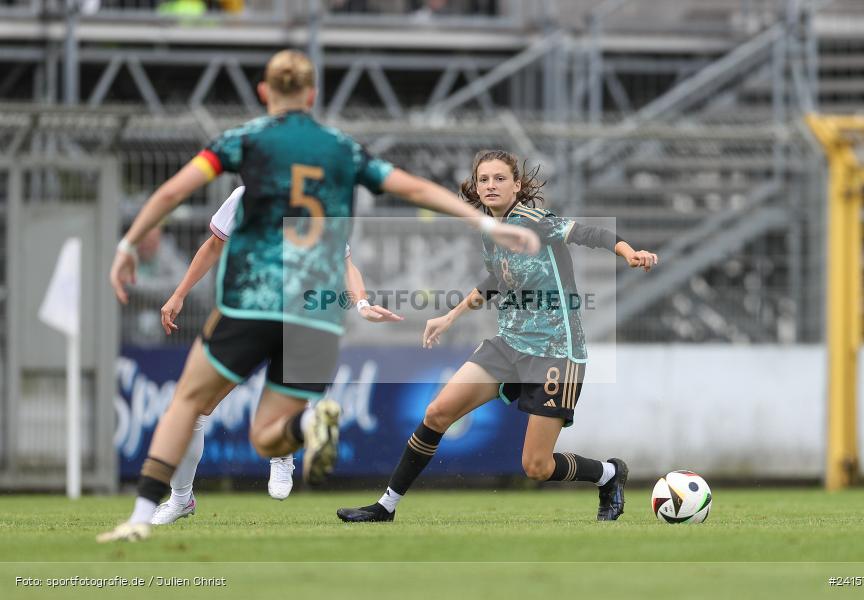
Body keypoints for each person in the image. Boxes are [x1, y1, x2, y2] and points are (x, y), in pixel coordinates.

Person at [99, 51, 539, 543]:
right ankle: (295, 435)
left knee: (189, 405)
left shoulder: (247, 147)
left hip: (251, 306)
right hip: (313, 321)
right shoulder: (337, 158)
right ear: (312, 96)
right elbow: (408, 188)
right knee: (264, 430)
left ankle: (153, 508)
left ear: (265, 93)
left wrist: (126, 245)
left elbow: (170, 195)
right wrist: (480, 221)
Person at [337, 149, 658, 524]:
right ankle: (385, 506)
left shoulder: (532, 220)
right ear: (476, 186)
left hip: (556, 351)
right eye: (484, 179)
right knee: (437, 412)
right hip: (507, 346)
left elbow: (589, 232)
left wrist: (627, 251)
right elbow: (497, 281)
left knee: (536, 466)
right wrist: (449, 316)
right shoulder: (490, 230)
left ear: (516, 185)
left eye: (500, 178)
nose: (491, 185)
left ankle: (607, 474)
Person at [151, 185, 401, 526]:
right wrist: (179, 293)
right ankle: (181, 500)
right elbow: (213, 246)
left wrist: (361, 302)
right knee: (191, 408)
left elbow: (345, 264)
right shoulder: (244, 194)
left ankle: (284, 454)